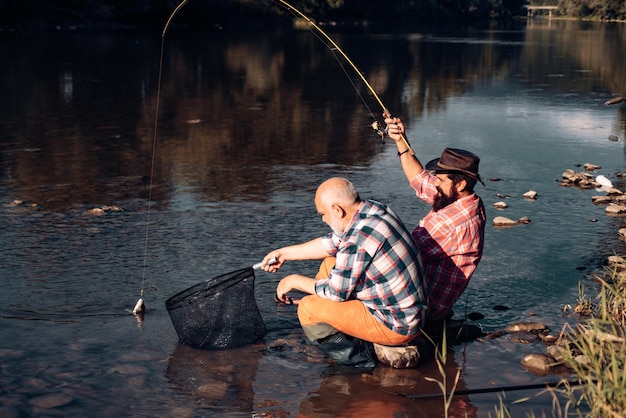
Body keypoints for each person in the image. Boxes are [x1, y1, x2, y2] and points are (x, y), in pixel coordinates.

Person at [261, 177, 427, 368]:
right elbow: (332, 243)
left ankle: (359, 363)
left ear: (337, 210)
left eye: (323, 214)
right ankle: (334, 329)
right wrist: (283, 253)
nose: (323, 219)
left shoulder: (359, 238)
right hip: (406, 311)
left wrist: (293, 281)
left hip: (397, 325)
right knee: (328, 264)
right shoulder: (373, 211)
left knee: (307, 308)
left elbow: (336, 292)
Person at [384, 115, 486, 325]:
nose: (435, 183)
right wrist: (400, 140)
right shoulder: (467, 201)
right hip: (435, 302)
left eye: (440, 179)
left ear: (459, 185)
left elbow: (399, 256)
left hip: (421, 307)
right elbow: (420, 179)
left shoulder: (450, 222)